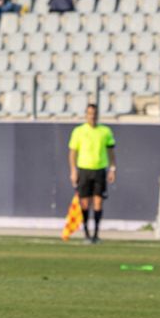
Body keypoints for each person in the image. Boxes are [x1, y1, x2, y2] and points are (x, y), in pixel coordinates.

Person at [67, 103, 116, 244]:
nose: (92, 116)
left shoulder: (105, 131)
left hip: (100, 170)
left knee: (98, 202)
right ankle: (86, 234)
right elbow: (72, 152)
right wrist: (73, 170)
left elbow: (111, 151)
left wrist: (112, 168)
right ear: (86, 115)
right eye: (89, 113)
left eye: (94, 113)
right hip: (84, 170)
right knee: (84, 203)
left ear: (97, 115)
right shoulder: (79, 131)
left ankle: (96, 234)